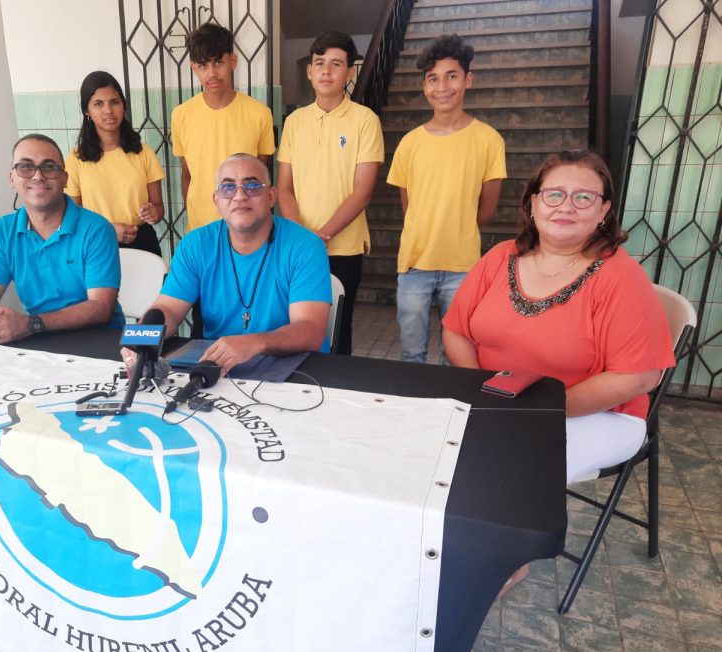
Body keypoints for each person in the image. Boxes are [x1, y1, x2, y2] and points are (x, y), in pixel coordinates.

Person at [442, 151, 675, 593]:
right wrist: (480, 393)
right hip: (498, 401)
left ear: (604, 210)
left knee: (504, 464)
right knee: (434, 447)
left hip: (600, 413)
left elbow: (638, 377)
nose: (566, 206)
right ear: (532, 203)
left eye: (583, 197)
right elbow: (456, 331)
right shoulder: (499, 258)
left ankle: (503, 560)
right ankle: (446, 540)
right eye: (554, 194)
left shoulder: (620, 278)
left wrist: (539, 411)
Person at [127, 153, 331, 375]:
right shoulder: (196, 244)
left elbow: (310, 329)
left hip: (298, 373)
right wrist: (139, 339)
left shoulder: (306, 246)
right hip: (219, 369)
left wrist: (254, 343)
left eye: (252, 186)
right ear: (216, 201)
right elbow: (167, 309)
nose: (240, 196)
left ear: (271, 197)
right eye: (228, 188)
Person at [386, 33, 506, 363]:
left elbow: (488, 207)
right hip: (414, 264)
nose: (442, 87)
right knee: (412, 354)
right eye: (432, 79)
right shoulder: (410, 143)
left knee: (456, 353)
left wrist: (457, 227)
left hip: (462, 266)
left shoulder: (488, 141)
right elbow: (408, 205)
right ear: (424, 86)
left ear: (468, 79)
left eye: (451, 76)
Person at [278, 30, 384, 355]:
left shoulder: (365, 121)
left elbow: (361, 193)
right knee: (295, 321)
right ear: (309, 71)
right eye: (319, 63)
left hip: (343, 247)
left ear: (349, 73)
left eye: (336, 64)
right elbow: (284, 187)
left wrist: (321, 235)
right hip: (297, 244)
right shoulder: (294, 121)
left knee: (338, 326)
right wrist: (302, 236)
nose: (326, 70)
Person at [0, 134, 125, 343]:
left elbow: (100, 308)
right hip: (35, 340)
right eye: (26, 167)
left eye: (49, 167)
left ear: (64, 178)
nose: (38, 176)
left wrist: (29, 324)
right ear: (12, 179)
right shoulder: (5, 229)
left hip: (98, 341)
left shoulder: (96, 229)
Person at [172, 23, 276, 232]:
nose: (212, 73)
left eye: (218, 62)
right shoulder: (181, 115)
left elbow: (260, 177)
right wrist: (195, 212)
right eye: (203, 65)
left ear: (233, 61)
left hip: (247, 229)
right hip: (200, 228)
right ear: (193, 67)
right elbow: (187, 175)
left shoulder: (259, 114)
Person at [65, 71, 165, 256]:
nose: (108, 111)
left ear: (123, 106)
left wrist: (153, 212)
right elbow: (72, 217)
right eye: (98, 104)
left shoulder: (144, 153)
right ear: (87, 111)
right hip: (96, 244)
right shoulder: (76, 160)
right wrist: (109, 229)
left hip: (142, 242)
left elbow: (159, 208)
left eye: (114, 102)